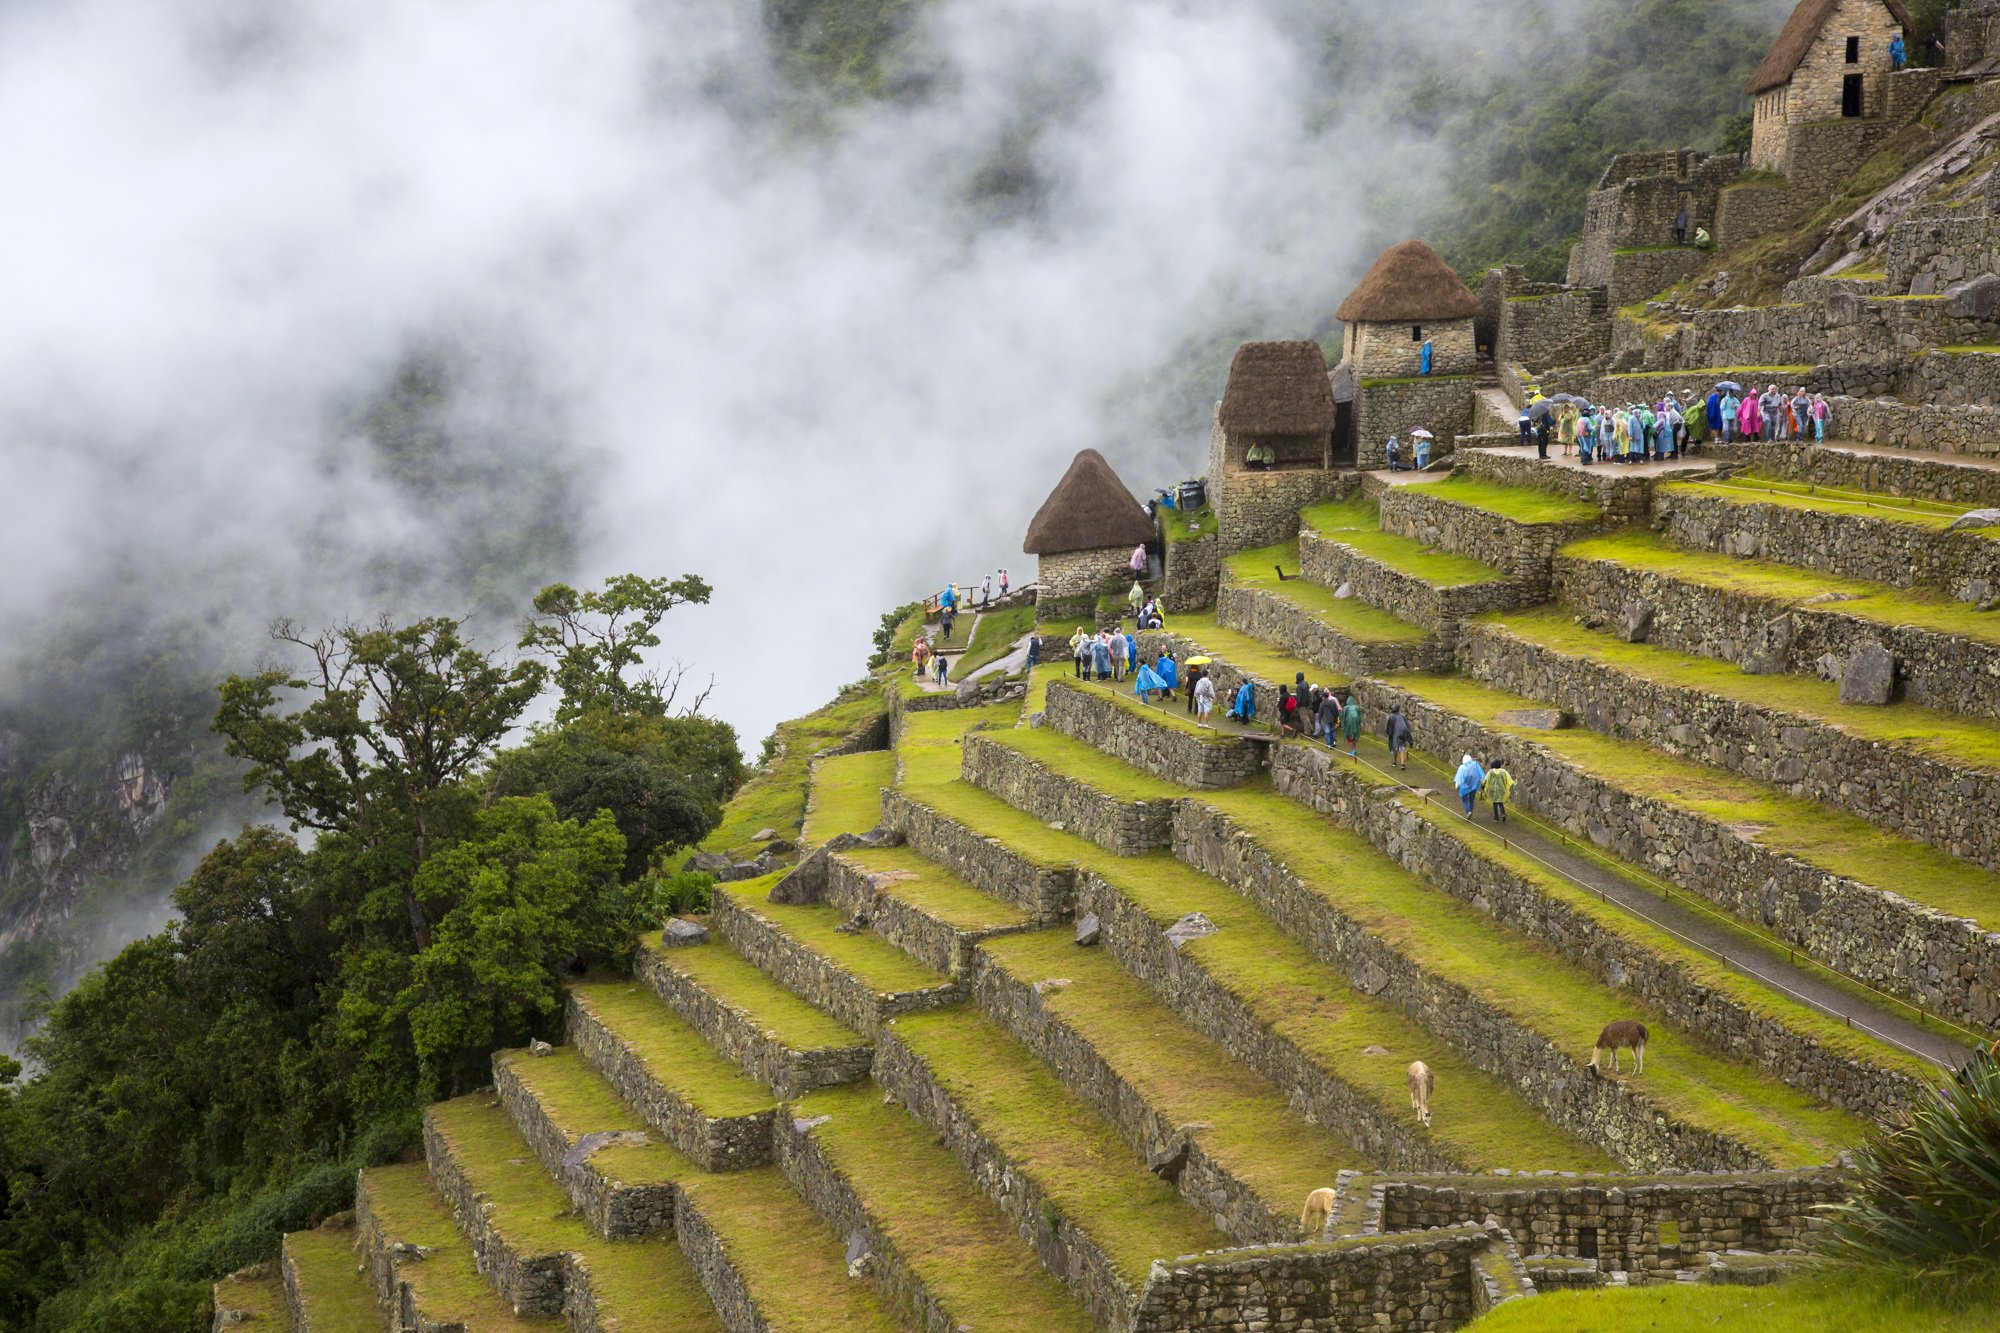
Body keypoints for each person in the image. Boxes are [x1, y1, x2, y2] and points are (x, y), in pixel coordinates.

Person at [1482, 759, 1514, 824]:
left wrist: (1483, 785)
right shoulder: (1503, 771)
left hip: (1493, 789)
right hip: (1501, 789)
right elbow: (1509, 779)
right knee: (1500, 802)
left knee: (1495, 803)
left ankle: (1496, 817)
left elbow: (1485, 779)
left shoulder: (1491, 771)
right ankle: (1503, 814)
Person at [1454, 753, 1486, 818]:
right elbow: (1481, 774)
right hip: (1473, 786)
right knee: (1472, 799)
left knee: (1464, 800)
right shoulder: (1475, 765)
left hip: (1464, 786)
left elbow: (1459, 777)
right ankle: (1471, 811)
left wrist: (1457, 786)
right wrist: (1483, 782)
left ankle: (1468, 812)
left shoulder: (1462, 767)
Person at [1384, 704, 1413, 771]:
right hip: (1403, 734)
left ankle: (1395, 762)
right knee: (1401, 748)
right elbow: (1407, 726)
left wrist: (1389, 734)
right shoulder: (1403, 716)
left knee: (1395, 747)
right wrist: (1410, 740)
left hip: (1396, 734)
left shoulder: (1392, 717)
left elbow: (1389, 728)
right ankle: (1401, 764)